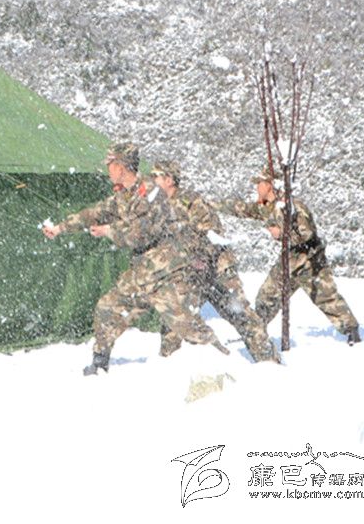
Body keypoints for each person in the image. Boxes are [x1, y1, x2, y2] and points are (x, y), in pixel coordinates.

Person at [43, 142, 229, 376]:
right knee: (107, 309)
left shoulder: (151, 193)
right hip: (141, 272)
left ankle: (225, 362)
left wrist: (109, 230)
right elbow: (96, 212)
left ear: (121, 167)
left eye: (110, 165)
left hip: (165, 272)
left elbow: (140, 234)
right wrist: (61, 228)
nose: (108, 170)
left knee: (187, 326)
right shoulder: (124, 194)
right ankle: (99, 364)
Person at [150, 160, 279, 363]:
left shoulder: (191, 202)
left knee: (241, 315)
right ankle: (169, 364)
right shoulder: (158, 207)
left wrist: (199, 256)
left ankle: (269, 362)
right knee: (175, 317)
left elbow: (212, 233)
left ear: (169, 180)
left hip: (218, 269)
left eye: (156, 176)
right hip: (190, 273)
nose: (152, 181)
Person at [219, 168, 361, 345]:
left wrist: (282, 233)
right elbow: (243, 209)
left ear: (269, 185)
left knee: (326, 298)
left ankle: (352, 333)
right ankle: (256, 335)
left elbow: (307, 234)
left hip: (310, 260)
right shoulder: (267, 207)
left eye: (260, 183)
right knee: (266, 296)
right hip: (289, 260)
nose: (257, 187)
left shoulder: (293, 207)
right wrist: (213, 205)